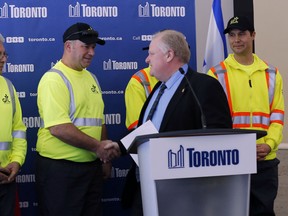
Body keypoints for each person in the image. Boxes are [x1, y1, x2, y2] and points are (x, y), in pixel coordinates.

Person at [123, 29, 233, 216]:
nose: (147, 60)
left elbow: (218, 139)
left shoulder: (203, 86)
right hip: (146, 189)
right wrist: (117, 147)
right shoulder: (158, 87)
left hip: (183, 193)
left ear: (169, 55)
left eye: (151, 53)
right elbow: (149, 131)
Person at [35, 23, 120, 216]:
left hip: (90, 169)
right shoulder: (54, 79)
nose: (91, 52)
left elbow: (99, 120)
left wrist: (103, 158)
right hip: (61, 171)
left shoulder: (92, 78)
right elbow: (59, 128)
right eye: (86, 46)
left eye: (93, 47)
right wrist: (98, 148)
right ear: (68, 46)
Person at [207, 16, 284, 216]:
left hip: (264, 159)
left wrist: (269, 144)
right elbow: (212, 121)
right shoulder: (216, 74)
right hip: (230, 159)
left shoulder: (272, 73)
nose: (236, 40)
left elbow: (277, 115)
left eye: (242, 34)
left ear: (253, 36)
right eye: (232, 35)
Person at [0, 33, 27, 216]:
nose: (3, 59)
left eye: (4, 54)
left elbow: (18, 130)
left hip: (6, 179)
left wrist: (16, 161)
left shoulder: (8, 86)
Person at [124, 66, 158, 130]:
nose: (147, 59)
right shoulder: (139, 79)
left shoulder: (180, 77)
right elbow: (138, 126)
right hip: (150, 138)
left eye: (152, 54)